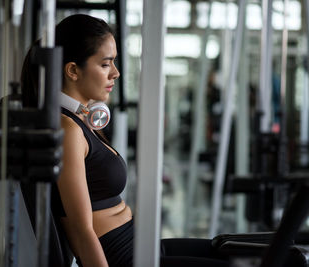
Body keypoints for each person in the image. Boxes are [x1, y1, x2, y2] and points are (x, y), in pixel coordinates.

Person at [21, 14, 230, 267]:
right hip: (124, 257)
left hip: (138, 243)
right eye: (106, 64)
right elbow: (80, 229)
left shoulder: (79, 119)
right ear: (73, 70)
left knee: (228, 250)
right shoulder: (69, 129)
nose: (116, 74)